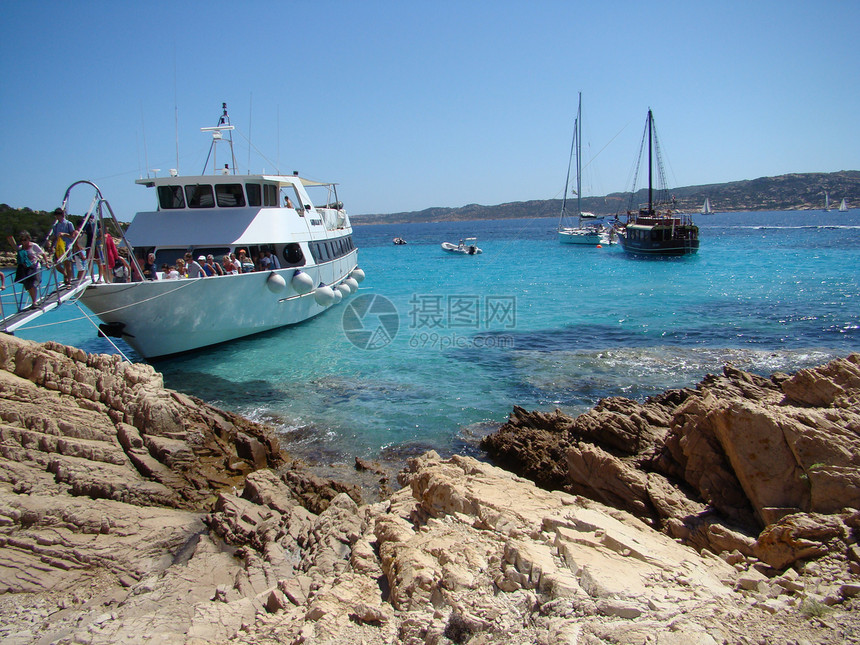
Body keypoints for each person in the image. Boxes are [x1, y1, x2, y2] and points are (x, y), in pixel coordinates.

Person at [15, 231, 44, 307]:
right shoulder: (20, 248)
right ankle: (33, 300)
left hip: (35, 267)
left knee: (33, 284)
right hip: (26, 268)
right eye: (21, 240)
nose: (23, 242)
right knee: (28, 285)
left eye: (25, 240)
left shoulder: (34, 246)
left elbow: (42, 253)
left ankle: (34, 301)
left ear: (28, 239)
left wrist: (46, 263)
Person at [48, 208, 75, 286]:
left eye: (57, 215)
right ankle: (65, 274)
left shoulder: (68, 224)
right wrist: (51, 246)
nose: (56, 217)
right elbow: (55, 237)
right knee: (56, 263)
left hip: (66, 246)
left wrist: (64, 234)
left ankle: (68, 281)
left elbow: (72, 236)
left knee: (67, 263)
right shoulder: (55, 226)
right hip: (58, 247)